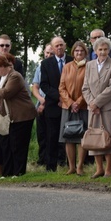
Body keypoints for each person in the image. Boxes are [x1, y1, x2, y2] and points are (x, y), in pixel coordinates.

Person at [0, 53, 36, 178]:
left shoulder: (15, 76)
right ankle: (7, 172)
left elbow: (6, 93)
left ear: (2, 66)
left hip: (22, 116)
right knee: (7, 144)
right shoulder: (0, 77)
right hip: (8, 117)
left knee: (18, 145)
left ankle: (18, 172)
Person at [82, 36, 111, 178]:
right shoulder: (89, 65)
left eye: (105, 49)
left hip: (107, 107)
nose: (102, 52)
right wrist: (92, 104)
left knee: (108, 137)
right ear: (95, 50)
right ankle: (99, 169)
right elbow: (85, 88)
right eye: (100, 49)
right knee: (95, 137)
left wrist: (97, 102)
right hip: (93, 108)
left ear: (109, 50)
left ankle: (109, 168)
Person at [58, 41, 89, 175]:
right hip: (68, 106)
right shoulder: (67, 67)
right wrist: (71, 103)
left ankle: (80, 166)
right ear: (73, 53)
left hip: (83, 106)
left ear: (85, 53)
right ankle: (71, 167)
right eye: (76, 51)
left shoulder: (90, 67)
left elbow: (89, 87)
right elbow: (61, 87)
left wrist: (79, 102)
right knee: (68, 137)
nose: (79, 53)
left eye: (81, 51)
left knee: (82, 137)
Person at [39, 36, 67, 172]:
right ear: (53, 47)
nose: (59, 47)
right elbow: (44, 85)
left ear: (65, 46)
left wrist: (67, 100)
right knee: (52, 135)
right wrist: (59, 98)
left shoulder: (72, 61)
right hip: (53, 105)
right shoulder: (46, 64)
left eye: (61, 45)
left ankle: (66, 163)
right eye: (56, 45)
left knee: (68, 134)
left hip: (70, 104)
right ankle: (51, 166)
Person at [31, 43, 53, 166]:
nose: (49, 55)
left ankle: (54, 160)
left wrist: (45, 102)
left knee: (52, 134)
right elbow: (35, 86)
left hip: (51, 104)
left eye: (51, 53)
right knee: (41, 134)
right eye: (47, 53)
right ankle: (42, 159)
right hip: (40, 104)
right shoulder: (40, 68)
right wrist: (40, 99)